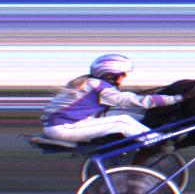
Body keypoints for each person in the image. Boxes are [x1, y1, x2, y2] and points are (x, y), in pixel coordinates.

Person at [38, 54, 186, 145]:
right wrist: (178, 98)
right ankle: (159, 141)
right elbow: (132, 100)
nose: (123, 78)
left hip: (62, 125)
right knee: (122, 121)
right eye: (122, 74)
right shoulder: (98, 86)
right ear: (110, 74)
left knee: (129, 114)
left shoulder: (90, 82)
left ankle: (139, 136)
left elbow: (125, 104)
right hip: (63, 128)